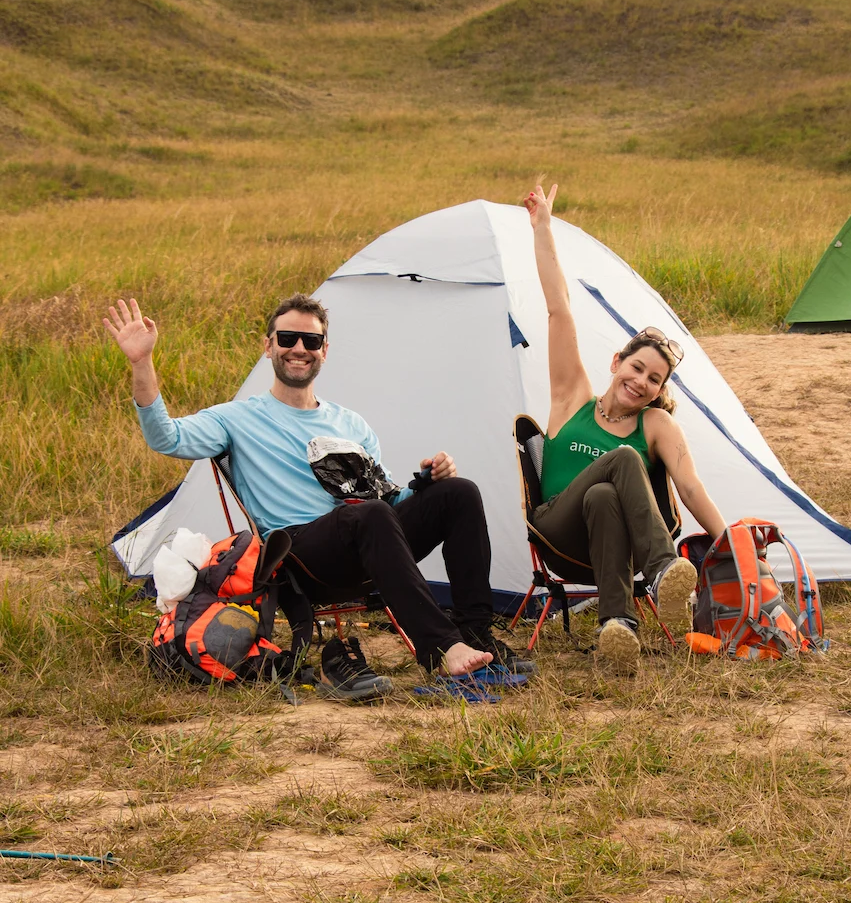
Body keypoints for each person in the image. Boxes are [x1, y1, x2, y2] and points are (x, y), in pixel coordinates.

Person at [104, 291, 532, 697]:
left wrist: (427, 483)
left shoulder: (352, 425)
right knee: (368, 516)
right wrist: (142, 363)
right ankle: (443, 649)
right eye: (287, 338)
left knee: (457, 492)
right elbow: (165, 437)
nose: (299, 348)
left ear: (325, 350)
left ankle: (476, 633)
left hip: (367, 538)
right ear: (268, 347)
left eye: (311, 340)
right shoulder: (237, 418)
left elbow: (384, 500)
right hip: (299, 558)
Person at [523, 183, 726, 674]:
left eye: (654, 379)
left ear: (660, 391)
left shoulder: (656, 423)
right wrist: (543, 228)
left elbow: (691, 488)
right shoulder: (572, 396)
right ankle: (661, 572)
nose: (642, 382)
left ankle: (618, 626)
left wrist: (731, 548)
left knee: (604, 497)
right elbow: (559, 309)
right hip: (557, 529)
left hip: (615, 540)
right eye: (636, 369)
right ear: (617, 362)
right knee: (623, 460)